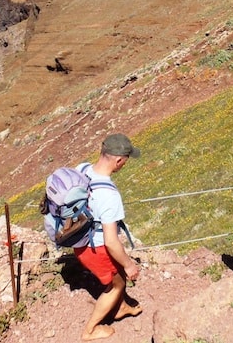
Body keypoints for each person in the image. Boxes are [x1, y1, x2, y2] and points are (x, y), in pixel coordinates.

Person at [75, 134, 142, 340]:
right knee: (117, 283)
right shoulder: (110, 195)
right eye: (126, 160)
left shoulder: (82, 169)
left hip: (79, 239)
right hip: (95, 248)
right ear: (118, 160)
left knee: (117, 273)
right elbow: (111, 242)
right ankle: (90, 330)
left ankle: (120, 307)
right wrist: (130, 265)